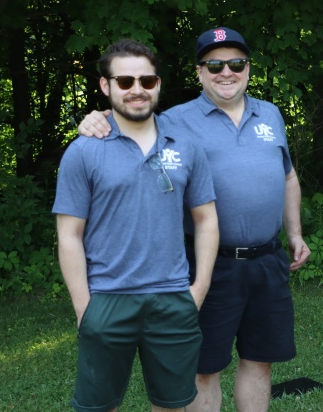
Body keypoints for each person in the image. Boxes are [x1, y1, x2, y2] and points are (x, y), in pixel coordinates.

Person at [78, 27, 311, 412]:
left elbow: (287, 176)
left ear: (248, 68)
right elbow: (127, 117)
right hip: (209, 263)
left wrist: (295, 233)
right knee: (204, 368)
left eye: (236, 63)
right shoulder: (173, 121)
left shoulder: (270, 113)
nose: (226, 72)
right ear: (199, 72)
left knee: (260, 361)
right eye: (214, 64)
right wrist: (95, 118)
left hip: (269, 262)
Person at [54, 39, 220, 412]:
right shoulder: (84, 150)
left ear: (158, 84)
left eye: (146, 81)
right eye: (125, 82)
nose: (137, 91)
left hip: (173, 297)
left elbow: (206, 218)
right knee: (99, 407)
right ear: (105, 86)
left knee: (173, 405)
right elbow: (69, 234)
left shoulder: (186, 145)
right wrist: (85, 310)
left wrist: (198, 289)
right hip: (107, 298)